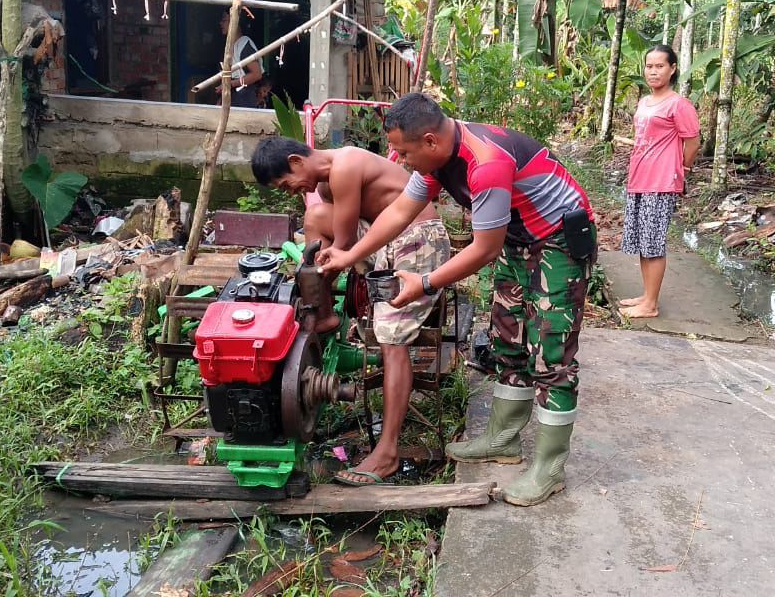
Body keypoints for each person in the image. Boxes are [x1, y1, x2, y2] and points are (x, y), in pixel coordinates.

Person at [318, 93, 595, 507]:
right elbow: (398, 213)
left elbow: (483, 248)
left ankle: (549, 467)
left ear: (429, 141)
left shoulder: (486, 164)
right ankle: (503, 439)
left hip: (557, 243)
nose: (400, 160)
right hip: (519, 240)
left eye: (405, 152)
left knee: (550, 354)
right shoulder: (439, 156)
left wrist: (425, 282)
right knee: (509, 336)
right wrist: (349, 255)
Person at [251, 136, 450, 486]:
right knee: (315, 217)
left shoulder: (343, 167)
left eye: (286, 183)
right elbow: (334, 239)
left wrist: (320, 268)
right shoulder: (326, 185)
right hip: (387, 236)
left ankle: (386, 453)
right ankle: (325, 315)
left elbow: (343, 246)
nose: (288, 191)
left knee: (391, 340)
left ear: (297, 161)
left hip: (419, 240)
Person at [618, 44, 700, 319]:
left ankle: (651, 305)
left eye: (660, 66)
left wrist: (683, 169)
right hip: (639, 179)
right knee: (643, 241)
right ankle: (646, 295)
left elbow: (692, 141)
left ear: (673, 69)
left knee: (653, 242)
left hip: (661, 181)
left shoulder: (678, 104)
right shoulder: (644, 102)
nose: (653, 71)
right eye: (649, 66)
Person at [218, 11, 265, 108]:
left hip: (244, 97)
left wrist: (231, 84)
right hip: (233, 97)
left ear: (236, 23)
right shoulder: (230, 45)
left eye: (224, 20)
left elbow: (256, 74)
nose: (221, 23)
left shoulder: (244, 45)